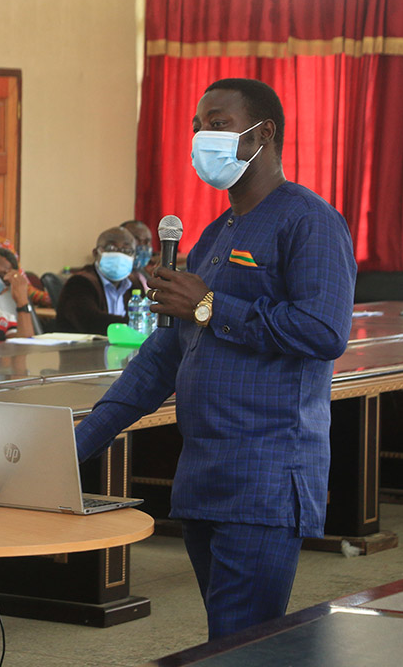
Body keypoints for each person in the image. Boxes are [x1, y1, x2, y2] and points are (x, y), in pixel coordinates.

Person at [74, 78, 356, 640]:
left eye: (219, 123)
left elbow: (324, 331)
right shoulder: (214, 234)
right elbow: (162, 357)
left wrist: (207, 303)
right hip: (205, 471)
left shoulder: (309, 220)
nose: (204, 136)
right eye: (198, 126)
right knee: (227, 643)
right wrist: (80, 442)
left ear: (264, 133)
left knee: (239, 644)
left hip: (267, 471)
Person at [55, 226, 136, 334]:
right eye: (111, 248)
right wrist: (136, 324)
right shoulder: (80, 282)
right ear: (95, 253)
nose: (119, 254)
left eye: (127, 250)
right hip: (84, 348)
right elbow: (91, 322)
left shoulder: (134, 284)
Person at [121, 219, 155, 292]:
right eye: (136, 240)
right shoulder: (114, 276)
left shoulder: (144, 275)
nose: (143, 246)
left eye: (147, 241)